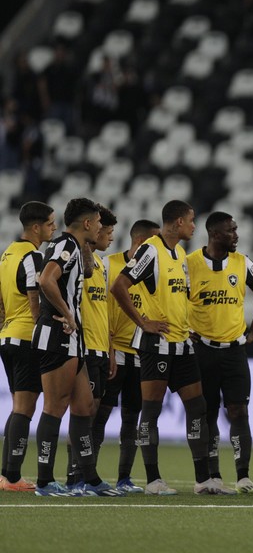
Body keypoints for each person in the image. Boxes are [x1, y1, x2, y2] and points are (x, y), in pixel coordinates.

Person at [109, 200, 214, 495]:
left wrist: (188, 327)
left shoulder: (179, 253)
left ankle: (203, 480)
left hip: (182, 344)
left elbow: (175, 297)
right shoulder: (150, 250)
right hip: (156, 345)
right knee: (151, 410)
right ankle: (153, 480)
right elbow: (119, 286)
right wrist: (143, 322)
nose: (194, 226)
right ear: (178, 222)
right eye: (191, 220)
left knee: (198, 407)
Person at [31, 198, 121, 496]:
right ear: (87, 223)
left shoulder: (75, 247)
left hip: (72, 339)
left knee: (83, 407)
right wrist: (68, 314)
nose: (100, 228)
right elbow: (46, 279)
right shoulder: (65, 244)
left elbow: (81, 273)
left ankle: (90, 479)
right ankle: (44, 481)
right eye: (98, 223)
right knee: (54, 408)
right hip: (57, 334)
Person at [187, 212, 253, 494]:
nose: (236, 235)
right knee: (207, 413)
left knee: (239, 411)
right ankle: (213, 476)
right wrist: (184, 329)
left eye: (235, 229)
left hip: (234, 351)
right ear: (214, 234)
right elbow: (171, 299)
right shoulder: (189, 264)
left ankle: (243, 476)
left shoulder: (243, 262)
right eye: (231, 230)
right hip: (202, 350)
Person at [94, 219, 160, 493]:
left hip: (142, 354)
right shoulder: (109, 265)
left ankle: (124, 479)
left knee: (132, 418)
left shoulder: (155, 270)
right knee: (100, 414)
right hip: (114, 352)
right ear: (142, 242)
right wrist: (108, 348)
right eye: (155, 241)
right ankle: (87, 474)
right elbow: (99, 310)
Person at [0, 201, 56, 491]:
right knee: (25, 408)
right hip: (26, 337)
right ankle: (12, 478)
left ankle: (6, 474)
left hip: (8, 335)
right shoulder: (33, 256)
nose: (54, 228)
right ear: (36, 227)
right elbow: (35, 296)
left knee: (17, 407)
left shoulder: (7, 253)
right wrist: (40, 329)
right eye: (50, 223)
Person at [65, 205, 116, 491]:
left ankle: (84, 474)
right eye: (105, 230)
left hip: (100, 347)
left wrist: (110, 349)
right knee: (83, 411)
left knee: (92, 411)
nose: (108, 235)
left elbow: (102, 309)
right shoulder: (80, 260)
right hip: (84, 346)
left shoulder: (100, 264)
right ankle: (75, 474)